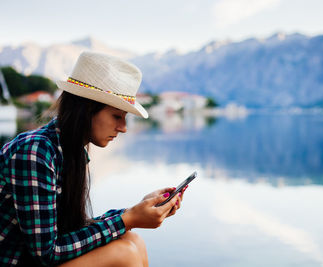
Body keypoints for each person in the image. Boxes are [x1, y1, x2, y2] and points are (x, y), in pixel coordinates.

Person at [0, 52, 186, 266]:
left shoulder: (69, 151)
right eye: (117, 116)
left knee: (133, 240)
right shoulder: (35, 152)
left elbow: (71, 232)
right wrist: (129, 219)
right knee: (125, 253)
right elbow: (46, 253)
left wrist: (134, 212)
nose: (124, 128)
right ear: (86, 109)